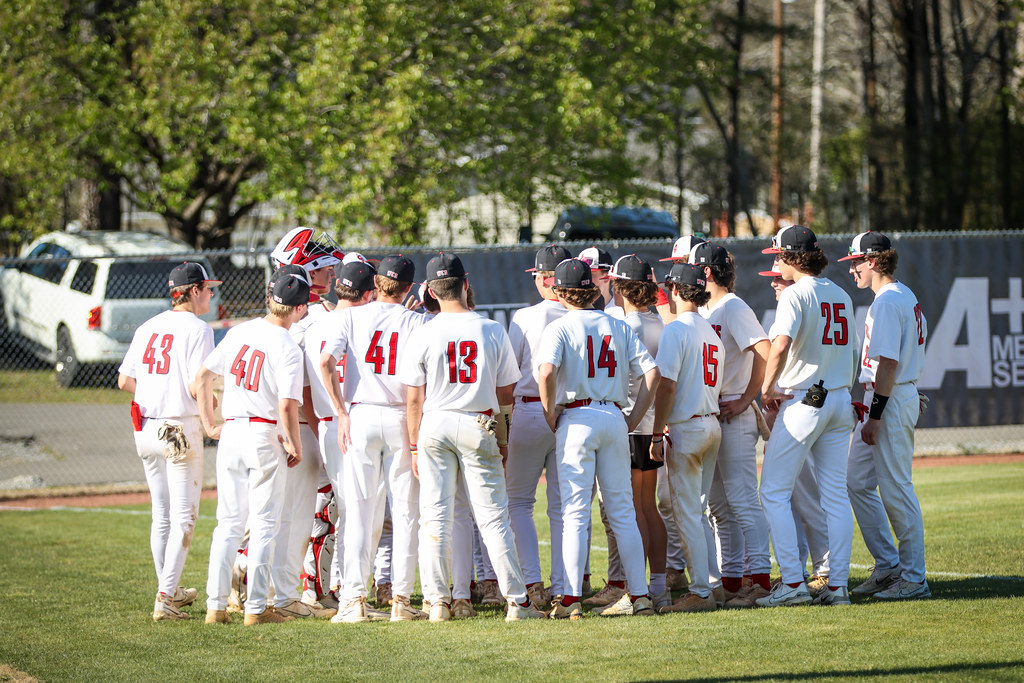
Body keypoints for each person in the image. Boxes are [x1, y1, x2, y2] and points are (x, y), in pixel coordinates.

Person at [400, 252, 545, 622]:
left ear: (430, 290)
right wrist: (504, 438)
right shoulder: (490, 328)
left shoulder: (422, 329)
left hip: (434, 423)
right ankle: (518, 601)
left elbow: (413, 398)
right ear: (466, 284)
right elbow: (506, 392)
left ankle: (437, 603)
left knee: (434, 517)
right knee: (493, 517)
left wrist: (414, 445)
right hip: (477, 422)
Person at [537, 258, 661, 619]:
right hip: (612, 416)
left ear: (560, 292)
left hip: (576, 416)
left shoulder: (560, 326)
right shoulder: (617, 325)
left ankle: (571, 600)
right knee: (622, 511)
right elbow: (652, 374)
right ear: (592, 289)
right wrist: (634, 418)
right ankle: (639, 596)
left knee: (576, 511)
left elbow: (546, 372)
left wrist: (549, 412)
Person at [198, 265, 310, 625]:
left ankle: (216, 606)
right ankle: (257, 608)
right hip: (263, 433)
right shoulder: (288, 346)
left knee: (227, 524)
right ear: (299, 308)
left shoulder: (240, 331)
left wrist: (209, 424)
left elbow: (202, 377)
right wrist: (294, 443)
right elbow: (286, 405)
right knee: (264, 524)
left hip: (231, 431)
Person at [319, 255, 428, 623]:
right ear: (409, 287)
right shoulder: (417, 320)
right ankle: (400, 599)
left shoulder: (348, 315)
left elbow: (325, 362)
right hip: (401, 415)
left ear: (376, 282)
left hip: (361, 413)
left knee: (360, 511)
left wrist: (340, 411)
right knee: (405, 512)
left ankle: (353, 599)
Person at [757, 225, 858, 608]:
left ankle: (794, 585)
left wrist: (767, 388)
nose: (776, 261)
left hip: (806, 399)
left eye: (779, 255)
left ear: (793, 257)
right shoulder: (841, 293)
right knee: (834, 497)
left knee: (774, 492)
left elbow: (780, 344)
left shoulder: (796, 293)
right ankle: (838, 586)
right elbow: (850, 352)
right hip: (838, 397)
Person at [117, 261, 219, 621]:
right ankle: (165, 596)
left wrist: (159, 389)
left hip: (145, 427)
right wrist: (212, 406)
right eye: (207, 288)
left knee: (161, 515)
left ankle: (170, 588)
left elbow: (125, 381)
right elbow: (197, 384)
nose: (211, 293)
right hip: (178, 428)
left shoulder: (149, 325)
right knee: (184, 518)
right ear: (193, 291)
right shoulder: (198, 328)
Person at [841, 231, 930, 600]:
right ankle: (889, 564)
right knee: (856, 481)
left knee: (896, 489)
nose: (852, 270)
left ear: (874, 261)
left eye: (856, 262)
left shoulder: (888, 301)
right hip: (889, 396)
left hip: (888, 399)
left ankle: (913, 578)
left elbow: (889, 363)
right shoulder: (898, 295)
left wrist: (875, 416)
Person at [690, 242, 773, 607]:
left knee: (742, 500)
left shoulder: (733, 306)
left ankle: (761, 581)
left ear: (706, 272)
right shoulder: (710, 309)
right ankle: (734, 581)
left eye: (693, 268)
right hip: (715, 412)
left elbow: (765, 351)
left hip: (734, 414)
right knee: (720, 506)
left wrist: (746, 398)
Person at [268, 227, 343, 620]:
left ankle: (246, 582)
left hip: (271, 423)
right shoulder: (313, 317)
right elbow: (313, 383)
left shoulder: (270, 321)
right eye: (322, 263)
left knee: (269, 510)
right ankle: (313, 590)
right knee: (322, 508)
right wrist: (319, 428)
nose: (331, 268)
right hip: (304, 425)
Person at [301, 256, 378, 613]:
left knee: (345, 510)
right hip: (354, 418)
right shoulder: (366, 322)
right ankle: (347, 591)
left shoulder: (313, 325)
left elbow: (307, 385)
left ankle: (336, 587)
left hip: (327, 424)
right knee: (359, 512)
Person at [650, 262, 723, 613]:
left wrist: (654, 430)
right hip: (711, 423)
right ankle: (713, 584)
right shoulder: (711, 331)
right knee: (699, 511)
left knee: (689, 514)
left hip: (687, 426)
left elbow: (666, 385)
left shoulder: (676, 329)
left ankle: (701, 591)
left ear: (675, 291)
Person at [505, 244, 571, 609]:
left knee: (518, 503)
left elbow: (510, 371)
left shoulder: (524, 316)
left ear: (546, 278)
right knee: (564, 508)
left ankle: (532, 583)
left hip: (530, 411)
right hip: (571, 413)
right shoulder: (584, 315)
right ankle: (564, 588)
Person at [607, 254, 670, 609]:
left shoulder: (627, 326)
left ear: (619, 286)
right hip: (653, 425)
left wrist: (630, 421)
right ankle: (657, 586)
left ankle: (637, 590)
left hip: (632, 424)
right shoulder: (659, 323)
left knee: (633, 511)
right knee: (648, 508)